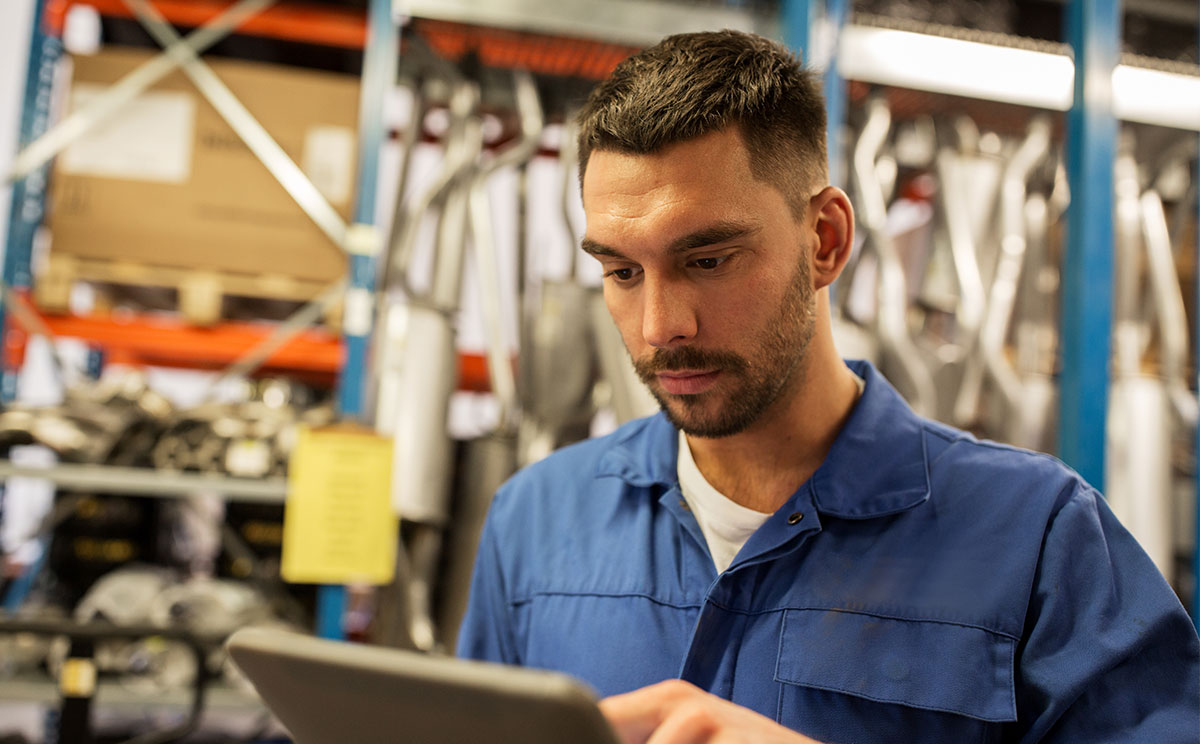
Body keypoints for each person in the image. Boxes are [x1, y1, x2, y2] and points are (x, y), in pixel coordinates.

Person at [457, 29, 1200, 744]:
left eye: (709, 260)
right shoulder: (536, 522)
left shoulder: (1040, 539)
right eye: (622, 271)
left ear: (826, 240)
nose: (659, 325)